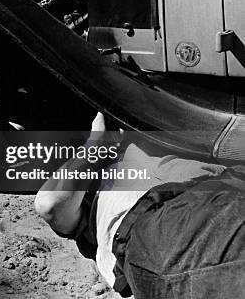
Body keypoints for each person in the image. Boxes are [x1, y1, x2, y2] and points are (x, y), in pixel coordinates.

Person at [35, 112, 245, 298]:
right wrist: (96, 144)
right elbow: (49, 205)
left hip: (222, 192)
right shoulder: (93, 183)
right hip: (164, 227)